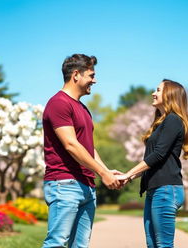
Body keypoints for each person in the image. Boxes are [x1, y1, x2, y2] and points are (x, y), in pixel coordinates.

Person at [42, 54, 121, 248]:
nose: (95, 80)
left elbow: (88, 148)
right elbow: (71, 145)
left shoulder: (83, 109)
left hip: (87, 185)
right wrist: (102, 173)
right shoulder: (59, 103)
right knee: (56, 244)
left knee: (80, 246)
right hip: (65, 183)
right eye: (91, 75)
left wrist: (106, 170)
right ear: (76, 74)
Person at [118, 79, 188, 248]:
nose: (153, 93)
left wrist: (128, 174)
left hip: (166, 190)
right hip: (156, 190)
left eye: (158, 90)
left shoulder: (173, 120)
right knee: (152, 244)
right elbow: (153, 160)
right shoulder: (161, 123)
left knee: (163, 245)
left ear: (169, 95)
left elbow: (158, 155)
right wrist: (128, 177)